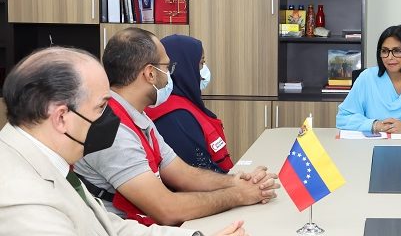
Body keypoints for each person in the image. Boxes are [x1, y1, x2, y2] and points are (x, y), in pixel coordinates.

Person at [0, 47, 255, 236]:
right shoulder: (16, 194)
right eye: (101, 107)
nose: (111, 118)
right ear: (61, 117)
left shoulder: (46, 160)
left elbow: (110, 232)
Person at [75, 28, 280, 226]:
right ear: (150, 74)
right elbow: (167, 210)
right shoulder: (114, 132)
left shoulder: (136, 114)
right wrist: (239, 195)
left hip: (140, 226)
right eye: (166, 67)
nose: (169, 74)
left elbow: (183, 174)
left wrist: (237, 181)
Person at [146, 34, 232, 173]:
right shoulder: (174, 115)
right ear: (185, 67)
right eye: (201, 63)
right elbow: (199, 171)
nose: (204, 71)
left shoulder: (186, 103)